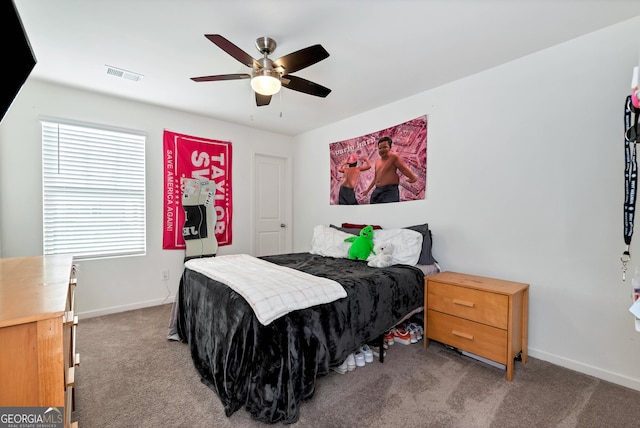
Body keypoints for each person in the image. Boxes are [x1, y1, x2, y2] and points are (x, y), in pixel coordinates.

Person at [361, 136, 417, 204]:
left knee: (389, 209)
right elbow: (376, 178)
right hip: (377, 190)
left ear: (390, 148)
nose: (382, 150)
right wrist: (367, 190)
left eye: (385, 147)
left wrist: (412, 177)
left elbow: (403, 169)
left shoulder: (393, 157)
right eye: (380, 148)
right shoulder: (378, 162)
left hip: (390, 190)